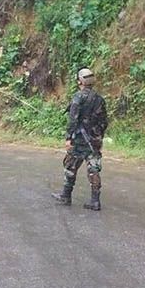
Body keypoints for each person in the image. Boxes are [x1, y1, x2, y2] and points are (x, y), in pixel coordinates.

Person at [51, 68, 108, 211]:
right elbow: (104, 122)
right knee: (94, 169)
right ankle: (95, 201)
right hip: (94, 141)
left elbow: (73, 120)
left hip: (79, 140)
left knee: (70, 165)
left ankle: (66, 195)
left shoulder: (78, 97)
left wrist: (68, 138)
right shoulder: (99, 99)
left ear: (80, 82)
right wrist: (99, 137)